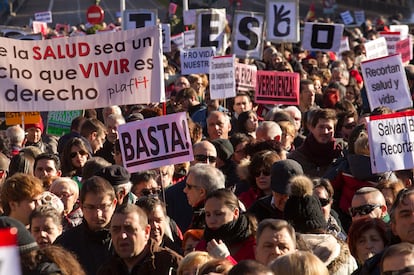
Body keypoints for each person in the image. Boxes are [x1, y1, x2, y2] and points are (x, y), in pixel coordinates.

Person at [284, 175, 358, 274]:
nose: (316, 206)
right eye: (316, 201)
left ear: (331, 202)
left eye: (322, 202)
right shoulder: (346, 256)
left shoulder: (278, 256)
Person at [54, 176, 117, 275]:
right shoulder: (66, 243)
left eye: (103, 206)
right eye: (91, 207)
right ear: (81, 207)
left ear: (114, 204)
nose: (98, 214)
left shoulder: (125, 239)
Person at [97, 203, 182, 275]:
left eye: (129, 229)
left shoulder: (171, 264)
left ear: (146, 232)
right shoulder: (107, 270)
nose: (122, 236)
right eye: (116, 230)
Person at [165, 140, 218, 232]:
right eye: (201, 158)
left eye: (212, 159)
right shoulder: (170, 195)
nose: (207, 163)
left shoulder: (222, 194)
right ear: (190, 160)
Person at [195, 188, 256, 262]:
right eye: (208, 215)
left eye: (218, 214)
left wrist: (225, 259)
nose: (212, 220)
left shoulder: (253, 245)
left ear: (235, 213)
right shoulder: (203, 245)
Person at [288, 108, 344, 177]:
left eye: (329, 128)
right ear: (312, 128)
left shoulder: (341, 154)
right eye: (321, 127)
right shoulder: (297, 157)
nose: (325, 132)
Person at [184, 164, 226, 229]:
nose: (185, 190)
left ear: (202, 192)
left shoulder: (207, 221)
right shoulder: (228, 208)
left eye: (189, 187)